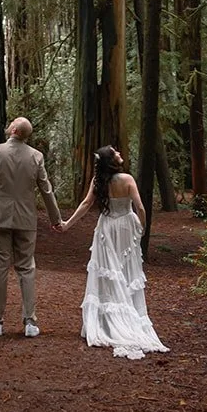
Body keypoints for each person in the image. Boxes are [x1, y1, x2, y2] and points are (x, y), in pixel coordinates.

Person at [62, 145, 168, 360]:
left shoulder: (98, 182)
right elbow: (140, 207)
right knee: (126, 268)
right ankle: (127, 315)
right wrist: (143, 228)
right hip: (127, 227)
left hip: (107, 228)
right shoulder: (127, 179)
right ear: (111, 160)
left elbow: (85, 204)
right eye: (115, 152)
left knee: (108, 270)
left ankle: (104, 321)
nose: (119, 152)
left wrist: (67, 224)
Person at [0, 116, 62, 337]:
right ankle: (29, 322)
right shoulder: (36, 157)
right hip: (26, 220)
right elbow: (46, 190)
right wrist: (55, 218)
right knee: (26, 268)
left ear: (13, 130)